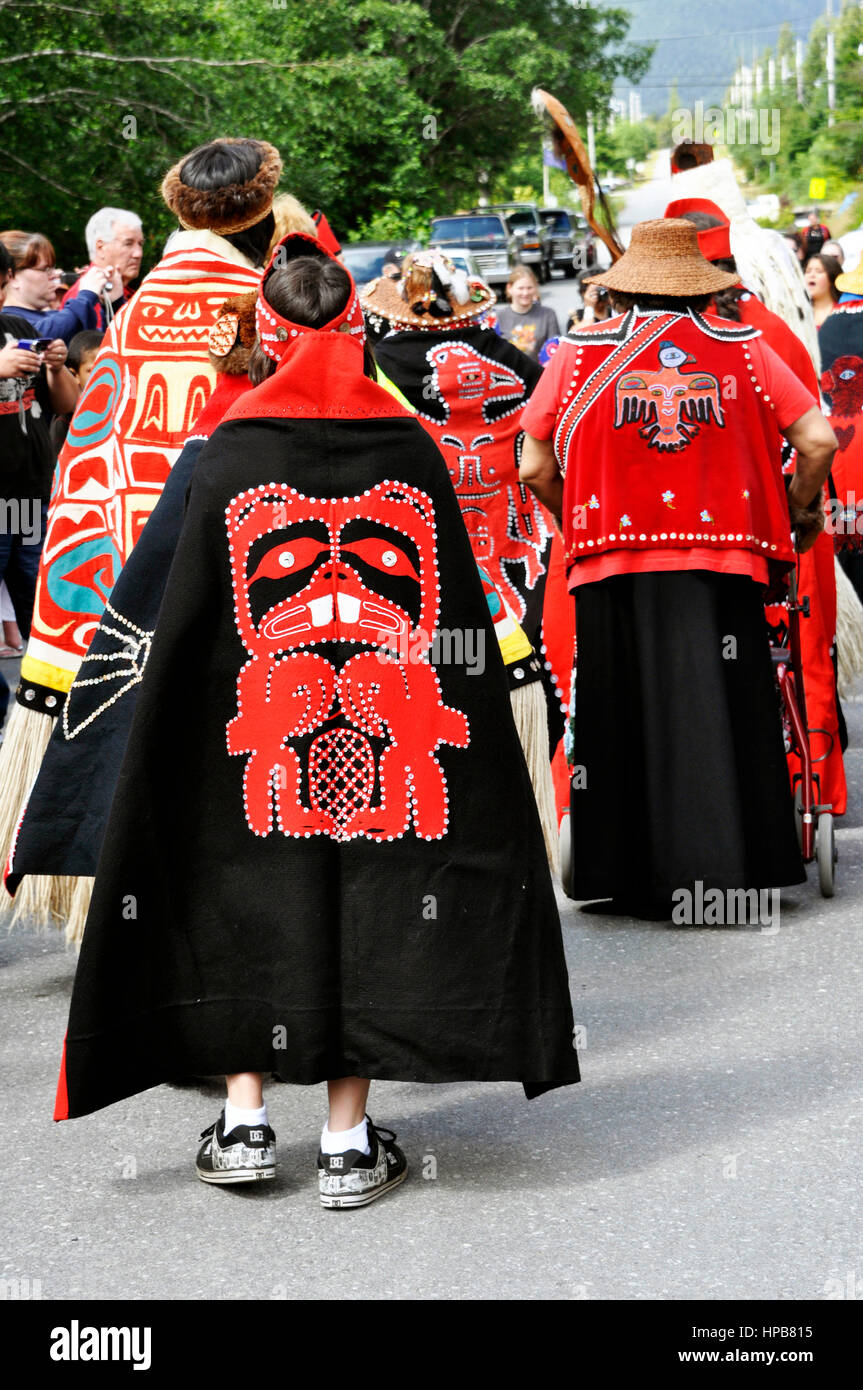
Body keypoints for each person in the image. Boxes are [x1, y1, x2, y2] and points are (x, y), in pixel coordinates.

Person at [52, 231, 580, 1205]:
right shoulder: (406, 445)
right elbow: (450, 617)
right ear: (354, 325)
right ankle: (345, 1139)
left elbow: (185, 617)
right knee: (374, 900)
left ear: (270, 329)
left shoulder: (228, 450)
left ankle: (246, 1122)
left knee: (237, 896)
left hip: (250, 732)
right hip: (398, 736)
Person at [518, 217, 837, 918]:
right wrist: (794, 509)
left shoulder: (576, 353)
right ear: (699, 289)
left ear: (625, 289)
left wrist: (577, 520)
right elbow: (816, 440)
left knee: (621, 708)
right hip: (722, 562)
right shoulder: (743, 347)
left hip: (609, 563)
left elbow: (532, 462)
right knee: (720, 703)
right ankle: (733, 867)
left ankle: (629, 871)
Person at [0, 137, 276, 933]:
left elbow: (87, 444)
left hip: (112, 550)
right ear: (258, 210)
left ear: (177, 211)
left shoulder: (134, 313)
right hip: (217, 546)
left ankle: (113, 894)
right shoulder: (260, 303)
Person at [669, 198, 848, 819]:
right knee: (797, 661)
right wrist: (800, 511)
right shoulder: (771, 332)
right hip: (779, 533)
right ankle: (811, 791)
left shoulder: (648, 344)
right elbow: (815, 439)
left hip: (688, 538)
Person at [0, 303, 78, 726]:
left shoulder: (18, 328)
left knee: (45, 609)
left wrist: (55, 368)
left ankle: (51, 713)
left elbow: (68, 403)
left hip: (28, 498)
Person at [0, 231, 119, 342]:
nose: (55, 274)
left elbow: (99, 345)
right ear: (13, 277)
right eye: (45, 269)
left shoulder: (54, 318)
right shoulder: (7, 324)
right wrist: (86, 295)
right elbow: (38, 336)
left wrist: (114, 303)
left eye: (52, 267)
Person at [61, 208, 143, 330]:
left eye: (140, 244)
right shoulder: (86, 298)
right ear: (101, 247)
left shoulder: (123, 292)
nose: (138, 253)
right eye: (128, 244)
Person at [49, 330, 104, 454]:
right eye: (94, 369)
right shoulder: (65, 422)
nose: (104, 374)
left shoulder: (120, 409)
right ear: (75, 375)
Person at [494, 265, 560, 361]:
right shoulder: (498, 317)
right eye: (520, 288)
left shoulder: (548, 314)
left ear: (535, 288)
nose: (525, 293)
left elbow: (555, 351)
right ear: (509, 288)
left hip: (539, 373)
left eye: (529, 288)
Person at [805, 253, 841, 328]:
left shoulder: (844, 312)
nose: (812, 275)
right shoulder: (798, 312)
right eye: (808, 271)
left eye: (819, 271)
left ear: (832, 278)